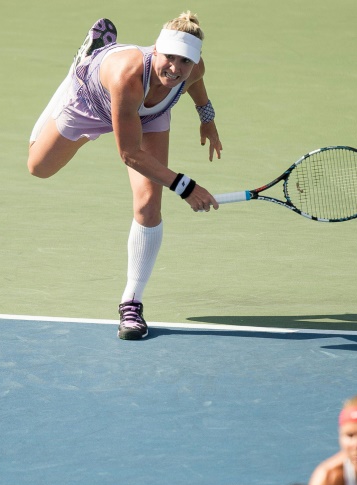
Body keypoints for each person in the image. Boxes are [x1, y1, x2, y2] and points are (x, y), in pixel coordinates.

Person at [27, 12, 224, 340]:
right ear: (156, 50)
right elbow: (130, 154)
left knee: (149, 206)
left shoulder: (192, 70)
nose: (175, 69)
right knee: (39, 168)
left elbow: (196, 84)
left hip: (150, 115)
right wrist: (185, 186)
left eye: (185, 61)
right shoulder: (128, 76)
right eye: (169, 58)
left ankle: (131, 302)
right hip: (91, 101)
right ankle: (88, 59)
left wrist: (207, 117)